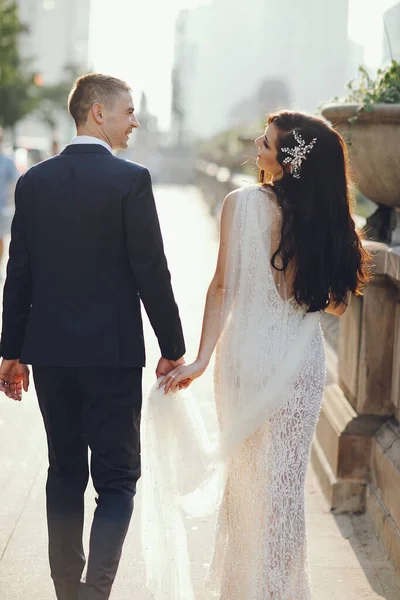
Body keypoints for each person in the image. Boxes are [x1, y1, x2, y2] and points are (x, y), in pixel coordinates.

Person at [160, 111, 371, 599]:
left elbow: (220, 288)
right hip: (298, 360)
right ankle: (279, 590)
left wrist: (200, 359)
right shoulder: (330, 220)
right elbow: (336, 306)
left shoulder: (239, 203)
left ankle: (242, 590)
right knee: (283, 490)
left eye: (266, 141)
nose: (256, 144)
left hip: (244, 359)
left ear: (287, 160)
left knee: (246, 483)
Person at [0, 73, 185, 600]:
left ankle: (66, 590)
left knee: (63, 472)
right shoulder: (131, 180)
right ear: (97, 113)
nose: (136, 120)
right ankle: (95, 591)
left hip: (52, 356)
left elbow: (20, 276)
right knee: (118, 480)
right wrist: (173, 347)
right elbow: (152, 271)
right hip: (113, 355)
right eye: (129, 110)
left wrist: (11, 354)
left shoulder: (33, 182)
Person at [0, 128, 19, 267]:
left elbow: (16, 180)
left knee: (0, 238)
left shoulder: (6, 161)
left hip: (1, 206)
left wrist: (10, 201)